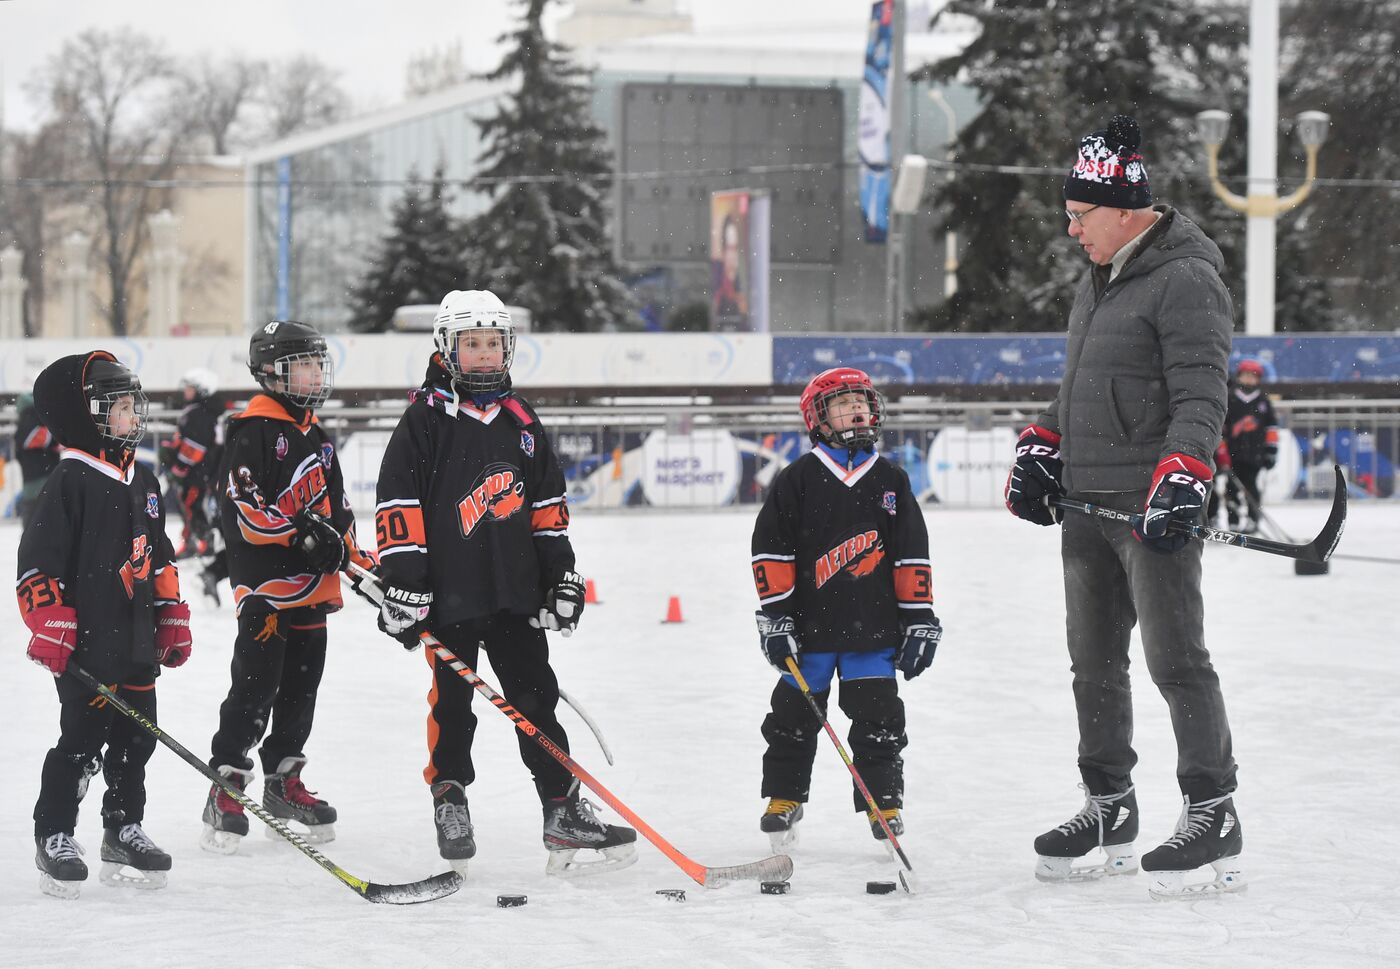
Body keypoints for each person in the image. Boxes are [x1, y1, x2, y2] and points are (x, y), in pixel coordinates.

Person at [1005, 115, 1243, 898]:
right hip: (1088, 509)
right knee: (1094, 666)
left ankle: (1213, 809)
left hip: (1149, 511)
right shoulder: (1100, 275)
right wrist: (1045, 437)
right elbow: (1083, 378)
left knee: (1177, 663)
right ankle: (1109, 803)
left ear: (1125, 208)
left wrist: (1184, 472)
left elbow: (1202, 389)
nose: (1071, 230)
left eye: (1080, 216)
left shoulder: (1185, 277)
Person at [372, 289, 636, 877]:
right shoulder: (424, 422)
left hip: (515, 597)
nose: (486, 355)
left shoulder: (521, 420)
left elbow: (546, 509)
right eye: (473, 344)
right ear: (448, 348)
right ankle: (450, 796)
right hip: (450, 597)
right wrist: (406, 582)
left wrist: (560, 576)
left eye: (495, 343)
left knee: (536, 700)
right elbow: (398, 508)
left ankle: (561, 808)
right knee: (454, 706)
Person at [18, 352, 193, 898]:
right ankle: (55, 833)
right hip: (87, 645)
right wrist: (49, 620)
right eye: (117, 407)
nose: (130, 416)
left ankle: (122, 827)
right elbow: (37, 564)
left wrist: (171, 612)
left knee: (136, 740)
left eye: (130, 405)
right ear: (84, 415)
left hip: (136, 639)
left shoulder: (145, 480)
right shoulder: (70, 480)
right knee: (81, 742)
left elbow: (159, 556)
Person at [200, 321, 376, 854]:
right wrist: (301, 537)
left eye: (319, 363)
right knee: (256, 686)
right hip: (267, 589)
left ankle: (283, 779)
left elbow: (338, 513)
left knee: (302, 689)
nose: (315, 373)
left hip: (313, 590)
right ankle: (226, 784)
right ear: (272, 372)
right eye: (304, 363)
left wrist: (361, 561)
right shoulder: (252, 430)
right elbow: (245, 512)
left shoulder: (317, 437)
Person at [750, 366, 942, 851]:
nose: (856, 410)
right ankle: (783, 798)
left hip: (873, 632)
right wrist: (776, 617)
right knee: (791, 721)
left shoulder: (891, 480)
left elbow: (910, 553)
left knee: (879, 721)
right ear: (817, 418)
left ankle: (885, 802)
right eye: (842, 404)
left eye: (862, 402)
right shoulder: (797, 480)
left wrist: (918, 617)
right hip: (808, 636)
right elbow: (771, 551)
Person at [160, 367, 231, 601]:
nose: (186, 392)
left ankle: (203, 540)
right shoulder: (200, 412)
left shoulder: (200, 414)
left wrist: (178, 467)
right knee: (190, 505)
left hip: (198, 474)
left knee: (193, 505)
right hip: (201, 472)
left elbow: (195, 448)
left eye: (190, 388)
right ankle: (194, 539)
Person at [1222, 359, 1280, 534]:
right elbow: (1223, 428)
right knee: (1230, 489)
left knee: (1252, 488)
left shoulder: (1263, 402)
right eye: (1245, 375)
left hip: (1254, 455)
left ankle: (1252, 519)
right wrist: (1222, 448)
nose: (1249, 380)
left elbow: (1271, 429)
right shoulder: (1230, 398)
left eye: (1252, 376)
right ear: (1239, 376)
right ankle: (1233, 519)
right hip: (1233, 454)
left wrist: (1271, 451)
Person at [14, 382, 62, 532]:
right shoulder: (31, 414)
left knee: (35, 531)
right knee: (42, 529)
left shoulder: (29, 416)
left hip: (37, 482)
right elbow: (35, 437)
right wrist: (56, 438)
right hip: (39, 483)